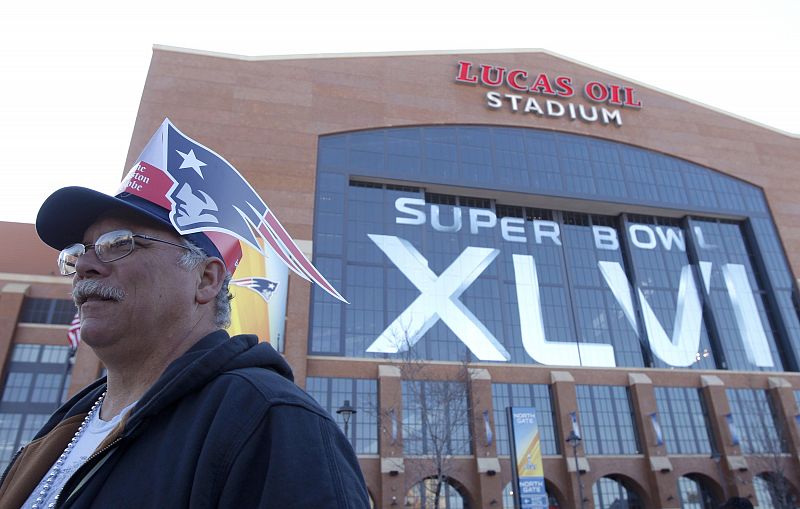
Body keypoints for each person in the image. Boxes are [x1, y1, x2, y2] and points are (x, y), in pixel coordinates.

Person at [0, 119, 370, 508]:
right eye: (79, 252)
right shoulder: (59, 430)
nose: (86, 266)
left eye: (118, 243)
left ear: (206, 279)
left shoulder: (270, 422)